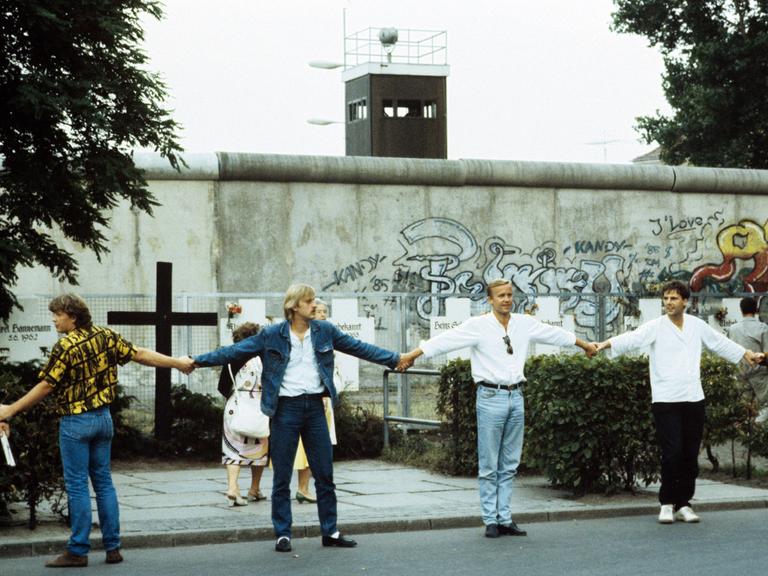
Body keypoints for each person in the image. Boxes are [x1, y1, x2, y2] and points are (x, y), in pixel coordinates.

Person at [178, 284, 403, 553]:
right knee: (282, 475)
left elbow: (359, 347)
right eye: (309, 301)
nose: (314, 305)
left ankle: (330, 531)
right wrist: (196, 361)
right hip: (285, 410)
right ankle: (283, 533)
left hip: (315, 408)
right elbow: (233, 352)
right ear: (294, 306)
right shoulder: (273, 335)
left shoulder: (324, 332)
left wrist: (395, 359)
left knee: (325, 473)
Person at [0, 294, 190, 567]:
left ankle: (77, 550)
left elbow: (46, 385)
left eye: (58, 314)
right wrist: (177, 362)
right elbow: (140, 354)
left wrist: (10, 409)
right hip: (104, 420)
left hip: (76, 422)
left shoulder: (65, 346)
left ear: (73, 317)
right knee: (103, 482)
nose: (54, 318)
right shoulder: (106, 335)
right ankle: (113, 547)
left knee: (77, 485)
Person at [397, 279, 597, 538]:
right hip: (491, 396)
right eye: (500, 295)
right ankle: (490, 519)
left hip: (516, 396)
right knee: (490, 463)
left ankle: (505, 518)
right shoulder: (478, 326)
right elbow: (445, 340)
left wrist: (585, 346)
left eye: (509, 295)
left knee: (510, 463)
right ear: (489, 300)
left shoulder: (523, 323)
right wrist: (411, 355)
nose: (506, 299)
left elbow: (555, 334)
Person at [593, 281, 763, 524]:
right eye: (666, 298)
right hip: (665, 399)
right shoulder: (656, 326)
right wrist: (604, 344)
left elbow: (720, 343)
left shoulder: (696, 325)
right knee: (672, 452)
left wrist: (747, 354)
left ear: (685, 301)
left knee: (689, 454)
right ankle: (666, 503)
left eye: (673, 298)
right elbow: (633, 338)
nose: (669, 303)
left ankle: (684, 503)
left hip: (693, 398)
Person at [293, 299, 340, 504]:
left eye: (324, 311)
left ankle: (308, 487)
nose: (321, 315)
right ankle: (303, 487)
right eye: (317, 311)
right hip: (312, 400)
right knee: (309, 447)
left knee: (317, 447)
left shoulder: (325, 337)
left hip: (323, 400)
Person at [217, 322, 268, 507]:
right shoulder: (264, 356)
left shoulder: (231, 357)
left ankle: (232, 487)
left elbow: (222, 386)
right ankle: (254, 488)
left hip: (235, 406)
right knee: (260, 448)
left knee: (232, 448)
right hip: (259, 407)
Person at [727, 297, 768, 424]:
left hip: (740, 374)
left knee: (744, 407)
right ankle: (757, 430)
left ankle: (746, 432)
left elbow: (729, 352)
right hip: (760, 374)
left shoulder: (732, 329)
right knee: (765, 405)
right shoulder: (763, 328)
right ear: (756, 310)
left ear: (741, 310)